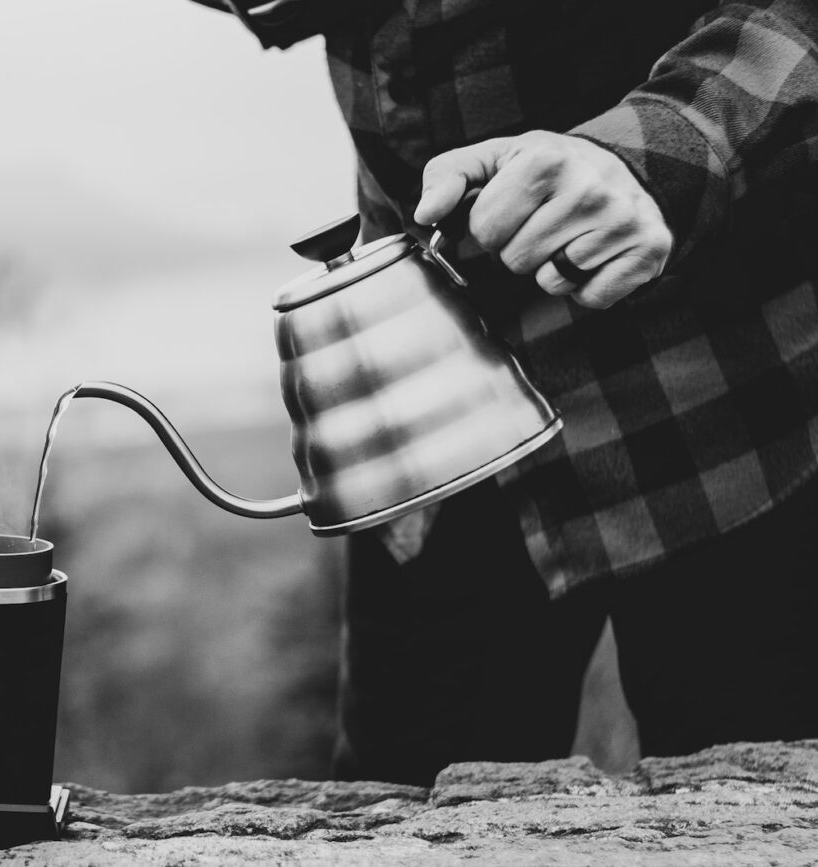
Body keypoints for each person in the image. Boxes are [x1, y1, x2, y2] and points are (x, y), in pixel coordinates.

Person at [190, 0, 818, 786]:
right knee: (406, 812)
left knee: (751, 797)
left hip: (725, 396)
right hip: (429, 422)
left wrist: (667, 145)